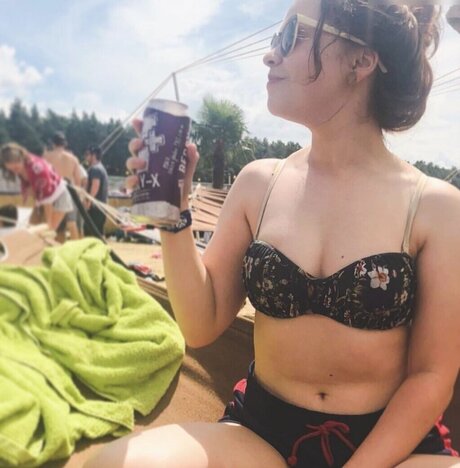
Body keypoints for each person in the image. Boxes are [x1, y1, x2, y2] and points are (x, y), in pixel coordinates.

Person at [84, 1, 460, 467]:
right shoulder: (259, 183)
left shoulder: (435, 206)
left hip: (392, 447)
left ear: (362, 60)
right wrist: (174, 218)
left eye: (291, 35)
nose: (269, 54)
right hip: (262, 432)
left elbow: (431, 376)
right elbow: (200, 325)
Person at [0, 143, 73, 233]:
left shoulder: (38, 169)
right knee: (32, 230)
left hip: (57, 197)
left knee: (48, 231)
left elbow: (48, 197)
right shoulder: (21, 169)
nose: (14, 167)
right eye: (10, 164)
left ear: (22, 158)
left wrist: (48, 223)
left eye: (16, 163)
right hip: (41, 200)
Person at [43, 131, 81, 241]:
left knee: (50, 225)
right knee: (72, 223)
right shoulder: (73, 159)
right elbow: (78, 182)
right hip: (67, 191)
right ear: (65, 144)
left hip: (51, 192)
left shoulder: (46, 156)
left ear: (53, 143)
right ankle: (76, 247)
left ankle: (49, 245)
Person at [84, 145, 108, 237]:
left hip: (94, 208)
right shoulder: (101, 168)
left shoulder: (95, 169)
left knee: (90, 234)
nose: (86, 157)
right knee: (98, 234)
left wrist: (89, 202)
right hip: (101, 207)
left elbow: (95, 186)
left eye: (87, 154)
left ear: (93, 155)